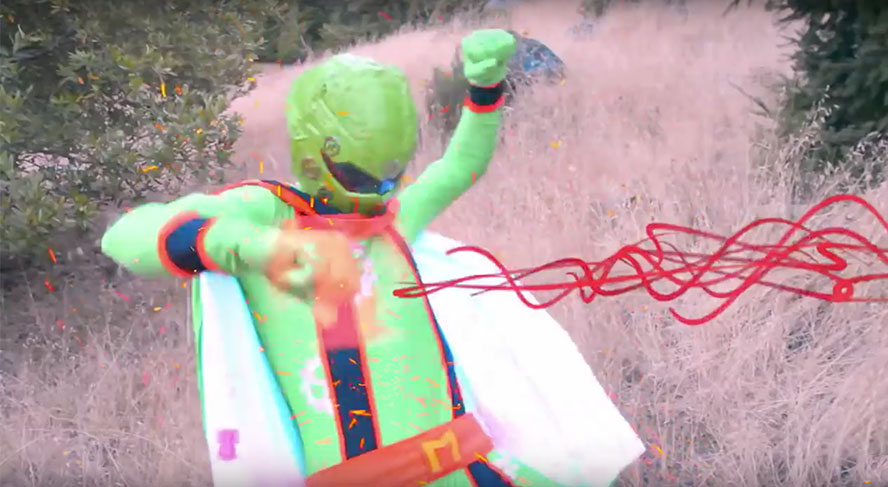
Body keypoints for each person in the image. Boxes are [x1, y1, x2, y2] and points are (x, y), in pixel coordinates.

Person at [102, 29, 566, 486]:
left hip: (469, 461)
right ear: (317, 151)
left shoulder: (392, 219)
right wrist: (249, 245)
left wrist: (485, 90)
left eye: (391, 177)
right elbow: (125, 235)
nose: (379, 192)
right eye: (361, 177)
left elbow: (458, 167)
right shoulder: (268, 211)